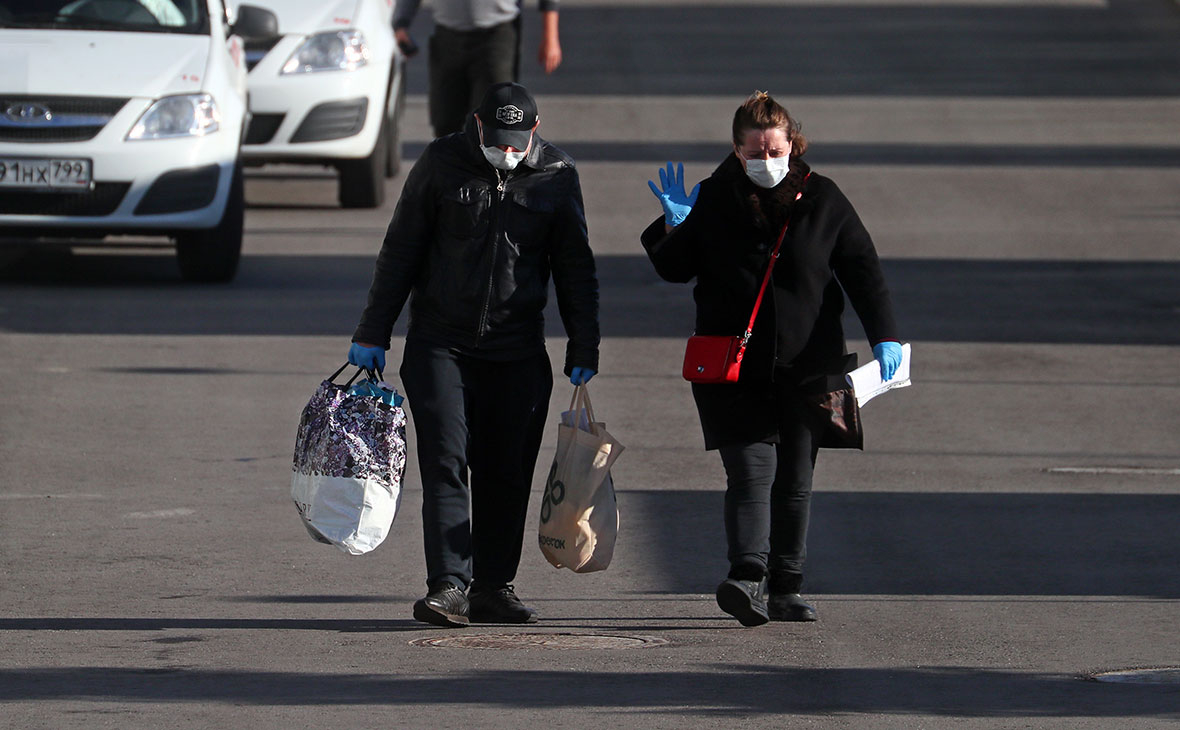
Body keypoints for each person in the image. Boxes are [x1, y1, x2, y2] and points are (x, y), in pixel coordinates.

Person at [641, 91, 903, 627]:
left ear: (793, 144)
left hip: (809, 365)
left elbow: (863, 271)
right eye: (754, 152)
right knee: (750, 470)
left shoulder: (824, 199)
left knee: (795, 479)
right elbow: (674, 268)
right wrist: (675, 224)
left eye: (774, 150)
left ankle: (786, 586)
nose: (766, 160)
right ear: (737, 152)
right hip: (732, 366)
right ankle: (746, 574)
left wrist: (887, 338)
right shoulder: (715, 198)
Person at [348, 82, 599, 627]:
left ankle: (493, 586)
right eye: (496, 139)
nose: (506, 151)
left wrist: (585, 343)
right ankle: (448, 585)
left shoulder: (556, 174)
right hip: (441, 341)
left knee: (507, 471)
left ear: (533, 133)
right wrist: (374, 330)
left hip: (518, 348)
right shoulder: (441, 163)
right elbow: (402, 249)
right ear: (478, 125)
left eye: (517, 142)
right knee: (446, 461)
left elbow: (575, 267)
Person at [393, 0, 563, 137]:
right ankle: (453, 177)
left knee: (495, 119)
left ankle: (491, 178)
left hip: (497, 35)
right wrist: (401, 22)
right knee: (445, 122)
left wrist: (550, 36)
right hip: (447, 36)